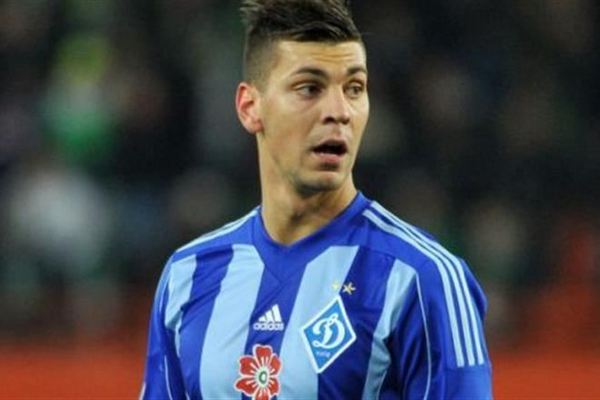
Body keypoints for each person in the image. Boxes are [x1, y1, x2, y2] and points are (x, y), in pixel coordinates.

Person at [140, 0, 493, 398]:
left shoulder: (421, 277)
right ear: (250, 107)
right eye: (309, 88)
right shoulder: (188, 276)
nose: (339, 111)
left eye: (354, 88)